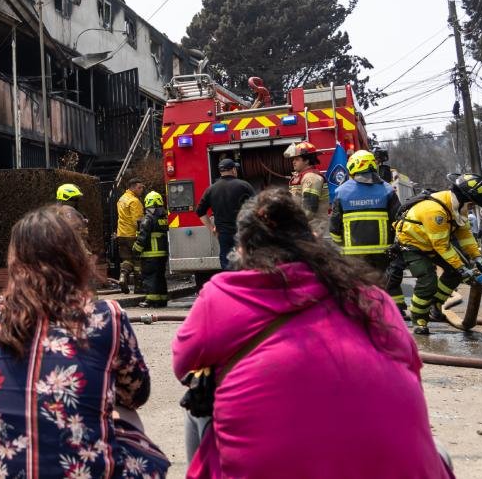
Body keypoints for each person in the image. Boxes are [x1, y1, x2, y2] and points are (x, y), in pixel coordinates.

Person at [172, 189, 453, 479]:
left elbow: (182, 365)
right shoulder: (371, 296)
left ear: (242, 249)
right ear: (313, 239)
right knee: (438, 451)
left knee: (198, 399)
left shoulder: (221, 295)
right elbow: (411, 371)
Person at [0, 205, 169, 478]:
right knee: (126, 416)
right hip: (80, 469)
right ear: (74, 256)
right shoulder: (106, 316)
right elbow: (136, 394)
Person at [397, 173, 482, 335]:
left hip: (433, 243)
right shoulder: (435, 210)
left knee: (455, 273)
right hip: (414, 245)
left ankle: (435, 305)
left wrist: (477, 257)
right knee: (427, 280)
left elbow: (465, 234)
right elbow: (441, 245)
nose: (472, 207)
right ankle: (419, 319)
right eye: (472, 203)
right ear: (466, 198)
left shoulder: (457, 206)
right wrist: (462, 268)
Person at [330, 150, 402, 313]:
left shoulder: (341, 191)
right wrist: (396, 245)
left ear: (352, 167)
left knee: (357, 285)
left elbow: (334, 226)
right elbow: (398, 221)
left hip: (353, 253)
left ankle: (359, 311)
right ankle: (395, 310)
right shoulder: (387, 189)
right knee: (385, 281)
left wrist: (340, 244)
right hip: (383, 251)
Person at [195, 158, 255, 270]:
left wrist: (212, 229)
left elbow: (200, 211)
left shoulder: (211, 189)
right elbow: (256, 208)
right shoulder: (244, 186)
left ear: (221, 171)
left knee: (228, 266)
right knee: (245, 265)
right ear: (233, 170)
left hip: (223, 235)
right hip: (243, 233)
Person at [283, 141, 329, 234]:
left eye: (297, 159)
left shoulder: (311, 178)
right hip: (305, 227)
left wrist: (290, 222)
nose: (293, 162)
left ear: (307, 161)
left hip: (312, 228)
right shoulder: (304, 176)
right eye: (293, 159)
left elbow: (309, 210)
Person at [135, 191, 170, 307]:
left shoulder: (148, 218)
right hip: (162, 254)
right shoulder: (164, 218)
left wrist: (136, 250)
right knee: (160, 276)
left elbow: (143, 237)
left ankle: (151, 300)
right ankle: (162, 299)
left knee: (150, 277)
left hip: (150, 254)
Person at [115, 177, 145, 293]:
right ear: (133, 188)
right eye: (139, 187)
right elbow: (138, 221)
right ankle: (138, 287)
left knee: (126, 260)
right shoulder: (134, 201)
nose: (142, 189)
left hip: (121, 234)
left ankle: (123, 277)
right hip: (132, 235)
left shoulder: (121, 199)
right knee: (138, 261)